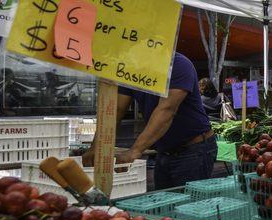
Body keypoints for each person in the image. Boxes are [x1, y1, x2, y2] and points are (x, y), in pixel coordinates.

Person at [84, 52, 216, 190]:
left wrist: (135, 151)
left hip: (194, 150)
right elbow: (116, 109)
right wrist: (96, 146)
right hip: (165, 151)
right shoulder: (132, 68)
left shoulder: (178, 64)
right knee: (164, 205)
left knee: (187, 207)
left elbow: (167, 110)